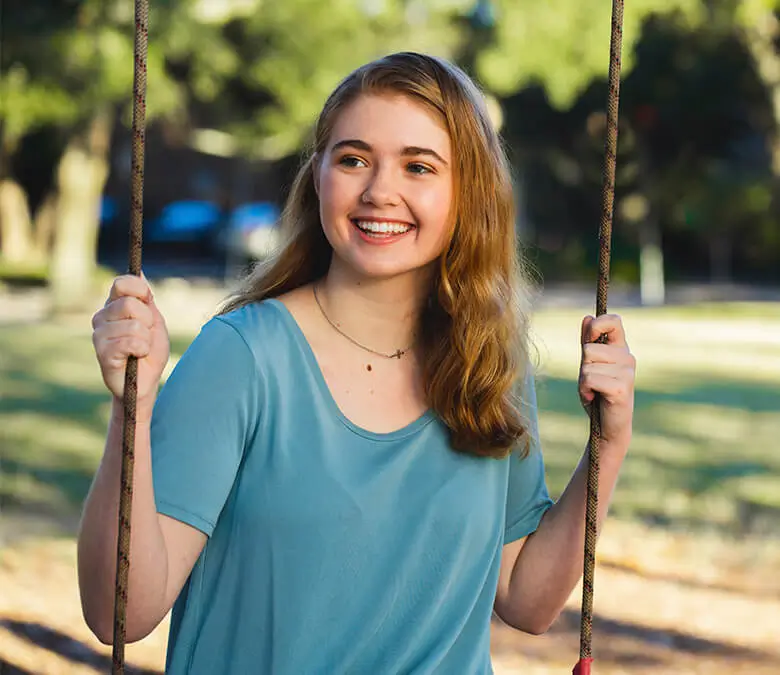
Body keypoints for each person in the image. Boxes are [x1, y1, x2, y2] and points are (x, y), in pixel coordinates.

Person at [78, 52, 636, 674]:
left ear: (468, 193)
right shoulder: (244, 356)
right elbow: (118, 616)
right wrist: (134, 409)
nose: (379, 191)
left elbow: (528, 601)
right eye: (353, 159)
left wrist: (607, 448)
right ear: (318, 176)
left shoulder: (486, 362)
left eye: (418, 166)